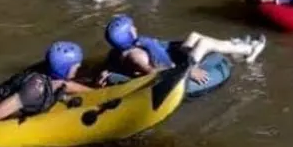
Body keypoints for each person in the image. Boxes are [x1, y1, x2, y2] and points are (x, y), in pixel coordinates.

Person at [99, 15, 267, 87]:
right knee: (204, 43)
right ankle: (249, 49)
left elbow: (112, 65)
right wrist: (189, 71)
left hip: (173, 59)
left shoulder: (123, 49)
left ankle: (237, 48)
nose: (135, 28)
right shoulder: (136, 56)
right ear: (127, 35)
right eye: (132, 28)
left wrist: (108, 72)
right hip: (179, 68)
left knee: (194, 36)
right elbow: (156, 73)